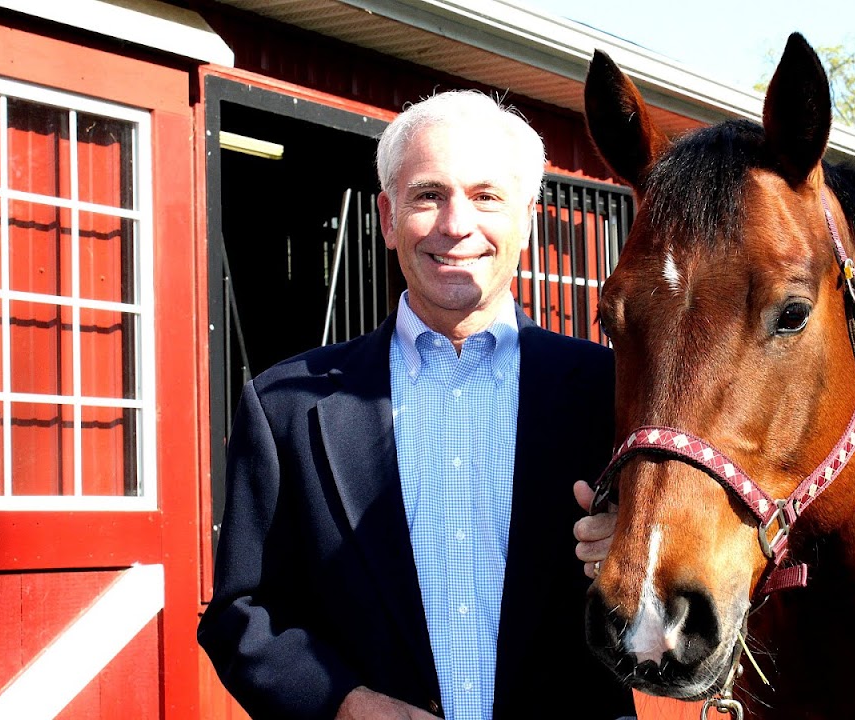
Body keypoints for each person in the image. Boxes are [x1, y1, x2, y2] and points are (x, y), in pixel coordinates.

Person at [197, 90, 632, 720]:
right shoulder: (285, 406)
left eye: (487, 196)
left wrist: (636, 560)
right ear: (386, 215)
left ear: (528, 220)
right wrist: (343, 704)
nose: (457, 225)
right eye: (429, 195)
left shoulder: (610, 394)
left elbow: (694, 595)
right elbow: (242, 611)